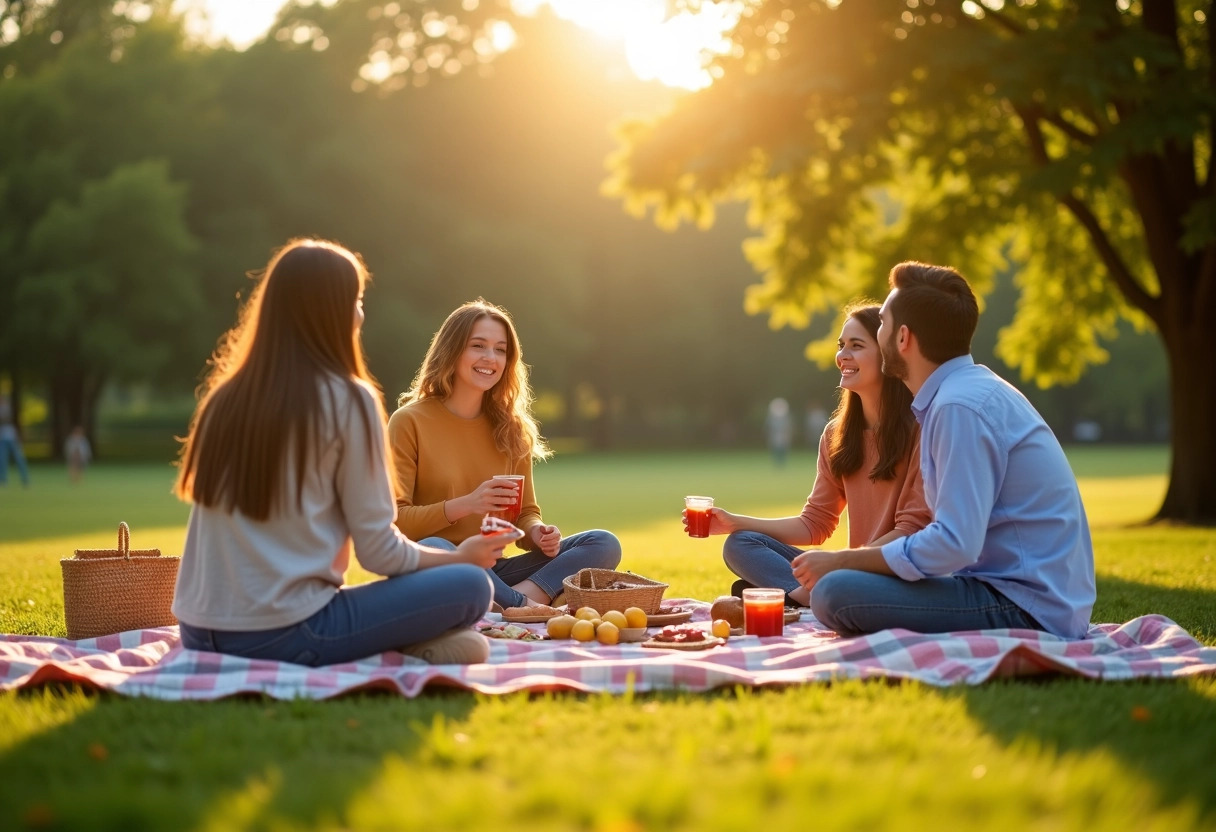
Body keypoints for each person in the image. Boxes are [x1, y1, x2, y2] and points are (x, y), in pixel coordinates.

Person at [172, 239, 511, 667]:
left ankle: (401, 638)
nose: (360, 313)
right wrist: (460, 556)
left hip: (198, 632)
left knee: (449, 586)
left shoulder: (228, 397)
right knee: (472, 585)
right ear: (334, 310)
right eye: (358, 300)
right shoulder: (348, 400)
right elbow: (380, 553)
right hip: (288, 631)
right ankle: (403, 641)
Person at [799, 262, 1096, 639]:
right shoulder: (962, 394)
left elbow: (955, 544)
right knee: (834, 585)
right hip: (1011, 592)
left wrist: (845, 561)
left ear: (902, 338)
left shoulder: (958, 408)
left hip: (1024, 606)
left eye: (883, 325)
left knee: (834, 592)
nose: (880, 332)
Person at [690, 305, 931, 607]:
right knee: (741, 543)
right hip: (846, 570)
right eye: (841, 345)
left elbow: (910, 532)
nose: (843, 355)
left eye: (856, 346)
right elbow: (815, 524)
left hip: (892, 571)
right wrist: (735, 522)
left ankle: (798, 596)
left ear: (888, 356)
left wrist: (841, 564)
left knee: (809, 583)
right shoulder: (836, 434)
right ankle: (806, 595)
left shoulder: (922, 430)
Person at [388, 299, 622, 610]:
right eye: (478, 345)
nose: (490, 358)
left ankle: (516, 601)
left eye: (500, 349)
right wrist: (468, 503)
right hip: (436, 563)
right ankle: (522, 604)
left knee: (602, 543)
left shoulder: (511, 428)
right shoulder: (409, 421)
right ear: (452, 350)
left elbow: (524, 514)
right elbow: (397, 522)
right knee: (437, 546)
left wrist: (538, 533)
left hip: (494, 570)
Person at [0, 391, 30, 488]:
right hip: (2, 437)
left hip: (12, 436)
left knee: (19, 458)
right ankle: (3, 480)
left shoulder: (10, 409)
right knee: (2, 459)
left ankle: (25, 479)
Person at [764, 397, 793, 467]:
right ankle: (776, 463)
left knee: (783, 450)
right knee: (775, 450)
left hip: (783, 436)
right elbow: (768, 427)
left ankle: (782, 463)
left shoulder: (786, 418)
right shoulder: (771, 418)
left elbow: (789, 427)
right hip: (775, 436)